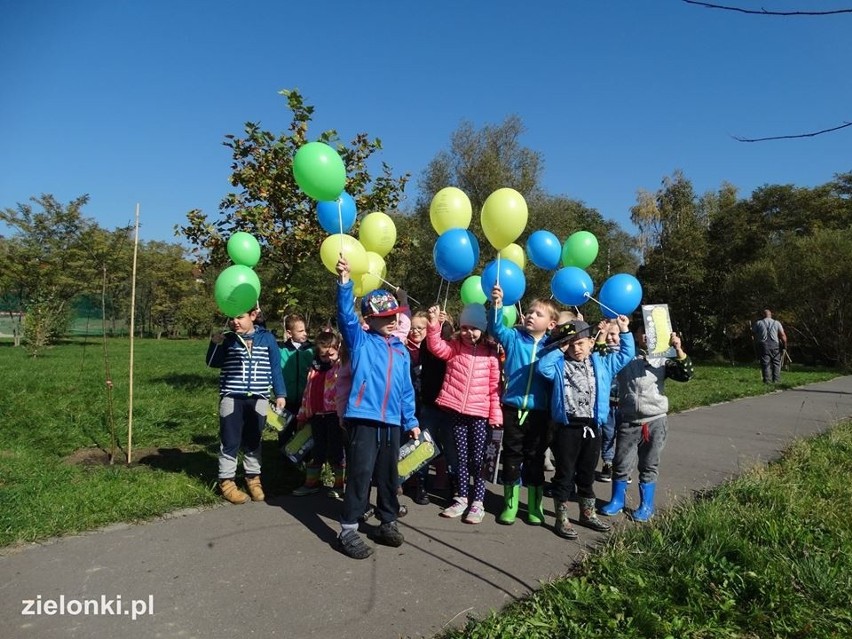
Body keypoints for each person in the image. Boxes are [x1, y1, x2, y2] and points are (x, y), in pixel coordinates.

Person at [334, 256, 420, 559]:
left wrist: (410, 419)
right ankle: (348, 529)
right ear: (369, 320)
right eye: (386, 317)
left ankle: (387, 521)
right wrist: (344, 284)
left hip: (393, 422)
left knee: (388, 475)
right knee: (360, 473)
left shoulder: (401, 350)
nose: (393, 321)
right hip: (364, 418)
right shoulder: (360, 341)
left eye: (395, 315)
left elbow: (406, 389)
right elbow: (345, 316)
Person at [537, 317, 634, 539]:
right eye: (571, 344)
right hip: (567, 427)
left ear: (591, 343)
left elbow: (625, 355)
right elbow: (543, 367)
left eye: (580, 343)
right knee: (565, 473)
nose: (576, 348)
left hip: (593, 427)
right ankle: (562, 517)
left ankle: (586, 513)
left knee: (587, 472)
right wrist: (560, 348)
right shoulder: (559, 365)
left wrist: (625, 330)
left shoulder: (602, 362)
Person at [599, 321, 694, 522]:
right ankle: (617, 501)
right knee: (621, 462)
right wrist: (606, 332)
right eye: (643, 332)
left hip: (655, 420)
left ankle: (646, 505)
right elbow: (602, 357)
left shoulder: (662, 360)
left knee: (649, 463)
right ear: (635, 335)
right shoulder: (626, 356)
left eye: (651, 333)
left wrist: (678, 349)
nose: (646, 337)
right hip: (628, 420)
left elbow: (686, 374)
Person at [488, 286, 559, 526]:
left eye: (538, 314)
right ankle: (510, 504)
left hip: (541, 412)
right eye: (529, 312)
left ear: (551, 324)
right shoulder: (514, 337)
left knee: (535, 457)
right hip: (512, 407)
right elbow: (496, 328)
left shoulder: (554, 346)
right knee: (511, 455)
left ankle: (535, 506)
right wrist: (497, 305)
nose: (530, 315)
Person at [426, 303, 502, 524]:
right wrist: (434, 324)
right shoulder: (455, 347)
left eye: (475, 328)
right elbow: (436, 347)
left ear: (483, 329)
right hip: (457, 410)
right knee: (460, 457)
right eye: (466, 327)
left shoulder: (490, 355)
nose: (470, 333)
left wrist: (495, 415)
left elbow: (494, 387)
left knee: (478, 459)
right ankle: (461, 498)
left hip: (480, 414)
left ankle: (478, 502)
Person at [206, 306, 287, 504]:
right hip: (232, 398)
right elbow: (211, 363)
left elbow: (275, 367)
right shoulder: (228, 339)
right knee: (230, 440)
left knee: (253, 439)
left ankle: (253, 478)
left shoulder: (267, 338)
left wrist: (280, 393)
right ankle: (227, 481)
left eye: (240, 317)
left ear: (253, 316)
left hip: (258, 398)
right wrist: (214, 344)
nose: (235, 321)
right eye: (232, 317)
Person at [292, 329, 345, 497]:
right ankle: (312, 482)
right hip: (316, 416)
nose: (327, 358)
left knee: (336, 450)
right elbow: (307, 394)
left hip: (334, 416)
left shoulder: (339, 368)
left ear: (338, 350)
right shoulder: (314, 370)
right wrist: (302, 415)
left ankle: (339, 484)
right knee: (317, 451)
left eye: (331, 354)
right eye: (323, 355)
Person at [404, 310, 432, 505]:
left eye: (420, 328)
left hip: (427, 403)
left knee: (423, 442)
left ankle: (422, 484)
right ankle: (404, 478)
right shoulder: (404, 348)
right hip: (407, 403)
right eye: (412, 328)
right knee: (405, 442)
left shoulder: (433, 348)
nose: (415, 331)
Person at [278, 314, 314, 452]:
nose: (304, 334)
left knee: (305, 431)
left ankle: (305, 459)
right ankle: (284, 463)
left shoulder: (312, 350)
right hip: (286, 400)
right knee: (284, 431)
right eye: (300, 331)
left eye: (305, 330)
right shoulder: (281, 350)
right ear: (289, 333)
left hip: (306, 401)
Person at [596, 320, 622, 482]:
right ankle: (608, 462)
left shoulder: (628, 354)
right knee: (607, 434)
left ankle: (622, 467)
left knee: (624, 437)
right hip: (606, 403)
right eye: (608, 334)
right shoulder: (601, 353)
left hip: (624, 404)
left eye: (614, 334)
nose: (610, 338)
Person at [752, 308, 787, 384]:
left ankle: (767, 381)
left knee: (765, 363)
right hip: (775, 345)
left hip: (763, 345)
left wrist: (756, 342)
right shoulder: (777, 323)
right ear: (770, 315)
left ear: (763, 315)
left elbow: (753, 334)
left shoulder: (758, 323)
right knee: (776, 363)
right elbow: (783, 335)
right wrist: (784, 345)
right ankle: (776, 381)